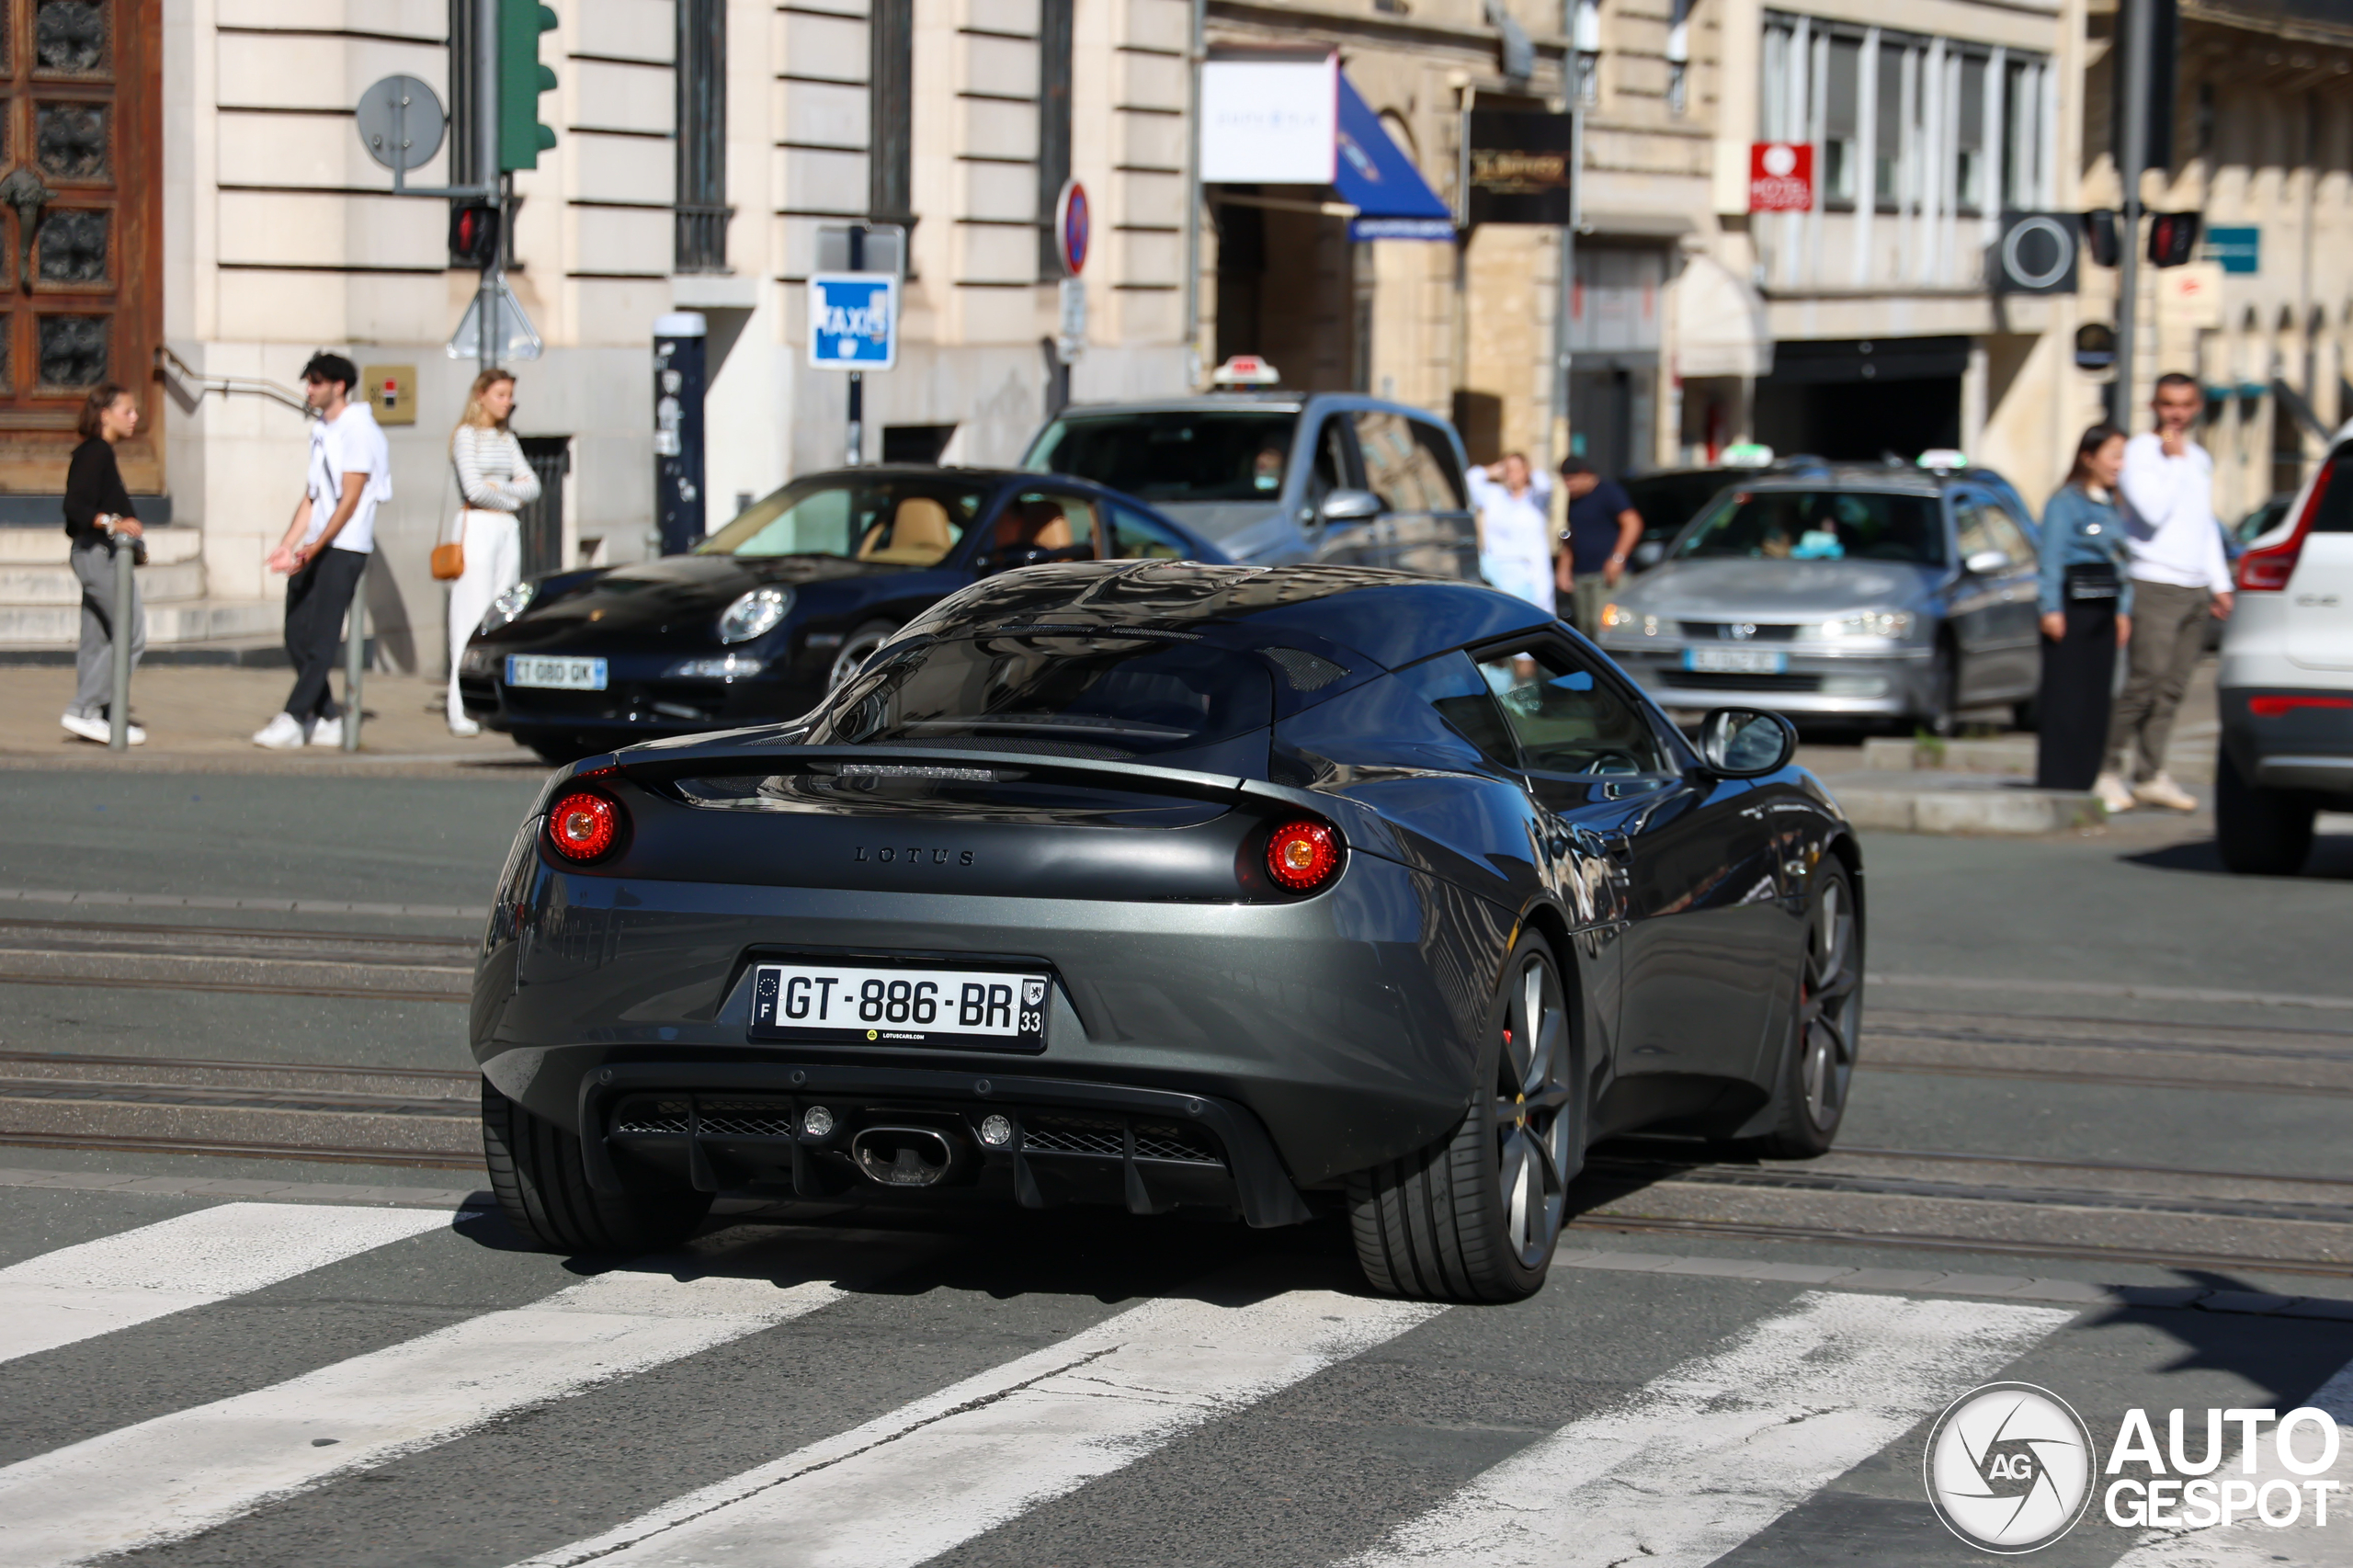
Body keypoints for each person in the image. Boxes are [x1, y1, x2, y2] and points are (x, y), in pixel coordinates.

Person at [2102, 373, 2233, 812]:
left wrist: (2220, 583)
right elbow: (2152, 511)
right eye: (2168, 404)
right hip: (2154, 581)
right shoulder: (2140, 452)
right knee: (2145, 681)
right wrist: (2174, 462)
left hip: (2194, 585)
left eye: (2185, 405)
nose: (2176, 414)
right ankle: (2105, 768)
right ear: (2154, 406)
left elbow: (2203, 523)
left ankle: (2150, 773)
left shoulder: (2199, 457)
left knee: (2173, 687)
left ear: (2197, 408)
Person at [254, 352, 391, 749]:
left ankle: (295, 716)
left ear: (339, 386)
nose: (309, 390)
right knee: (295, 631)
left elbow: (350, 497)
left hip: (345, 546)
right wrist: (289, 544)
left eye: (316, 382)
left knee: (322, 637)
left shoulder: (358, 430)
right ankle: (328, 716)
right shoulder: (322, 429)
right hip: (318, 544)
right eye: (308, 382)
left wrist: (317, 545)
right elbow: (312, 496)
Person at [2035, 424, 2134, 796]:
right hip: (2072, 606)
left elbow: (2122, 561)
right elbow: (2052, 557)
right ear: (2089, 457)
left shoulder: (2113, 503)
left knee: (2097, 697)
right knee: (2067, 696)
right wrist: (2050, 608)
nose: (2120, 465)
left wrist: (2123, 610)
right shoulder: (2065, 502)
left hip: (2105, 607)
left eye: (2123, 457)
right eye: (2114, 456)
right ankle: (2060, 779)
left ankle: (2088, 777)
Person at [444, 370, 540, 736]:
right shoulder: (466, 436)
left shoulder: (506, 438)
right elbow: (473, 490)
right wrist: (510, 495)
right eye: (500, 394)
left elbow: (533, 485)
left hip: (505, 528)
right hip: (477, 526)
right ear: (481, 395)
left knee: (501, 612)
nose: (507, 402)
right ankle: (459, 706)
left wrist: (499, 490)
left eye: (510, 395)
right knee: (468, 616)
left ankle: (492, 702)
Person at [60, 383, 146, 745]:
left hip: (98, 554)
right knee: (131, 632)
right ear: (105, 415)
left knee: (97, 639)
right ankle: (84, 709)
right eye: (127, 411)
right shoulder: (95, 452)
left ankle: (96, 715)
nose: (135, 417)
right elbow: (75, 508)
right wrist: (113, 523)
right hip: (98, 556)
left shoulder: (100, 453)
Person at [1555, 457, 1643, 635]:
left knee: (1604, 627)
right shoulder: (1574, 500)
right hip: (1581, 575)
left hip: (1606, 575)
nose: (1568, 486)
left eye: (1571, 480)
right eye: (1565, 481)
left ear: (1586, 475)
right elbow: (1571, 534)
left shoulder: (1609, 492)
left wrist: (1618, 558)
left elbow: (1632, 523)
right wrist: (1564, 567)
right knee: (1584, 629)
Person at [1466, 452, 1557, 614]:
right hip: (1498, 572)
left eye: (1517, 469)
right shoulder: (1495, 495)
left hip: (1531, 575)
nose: (1511, 474)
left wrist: (1529, 471)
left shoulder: (1536, 498)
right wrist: (1495, 469)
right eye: (1507, 469)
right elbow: (1470, 478)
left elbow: (1545, 483)